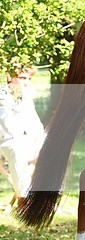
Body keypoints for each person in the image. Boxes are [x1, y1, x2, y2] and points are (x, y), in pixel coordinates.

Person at [0, 67, 46, 209]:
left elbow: (35, 123)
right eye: (22, 78)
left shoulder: (25, 97)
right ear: (10, 77)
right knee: (16, 150)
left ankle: (45, 197)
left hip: (18, 140)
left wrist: (42, 140)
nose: (26, 82)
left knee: (50, 149)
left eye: (29, 79)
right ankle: (23, 200)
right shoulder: (2, 94)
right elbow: (6, 123)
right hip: (6, 140)